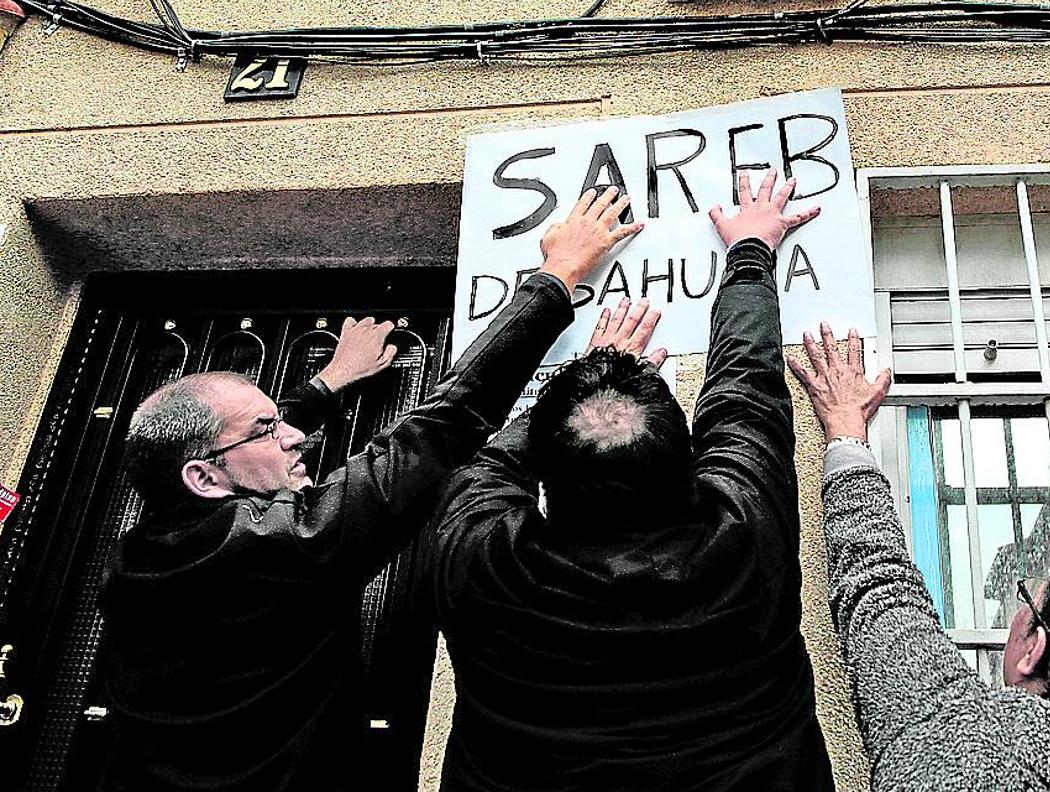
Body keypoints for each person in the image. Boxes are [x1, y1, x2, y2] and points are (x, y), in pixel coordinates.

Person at [99, 186, 644, 792]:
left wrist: (328, 385)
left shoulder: (141, 556)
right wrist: (559, 281)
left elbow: (243, 449)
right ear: (201, 478)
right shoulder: (283, 543)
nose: (294, 438)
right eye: (268, 428)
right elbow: (440, 429)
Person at [426, 170, 836, 791]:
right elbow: (746, 392)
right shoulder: (744, 535)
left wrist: (584, 368)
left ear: (546, 480)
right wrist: (751, 251)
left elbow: (473, 447)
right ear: (688, 455)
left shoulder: (484, 560)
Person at [790, 322, 1050, 792]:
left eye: (1029, 597)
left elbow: (880, 589)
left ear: (1034, 649)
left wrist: (845, 432)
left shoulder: (961, 744)